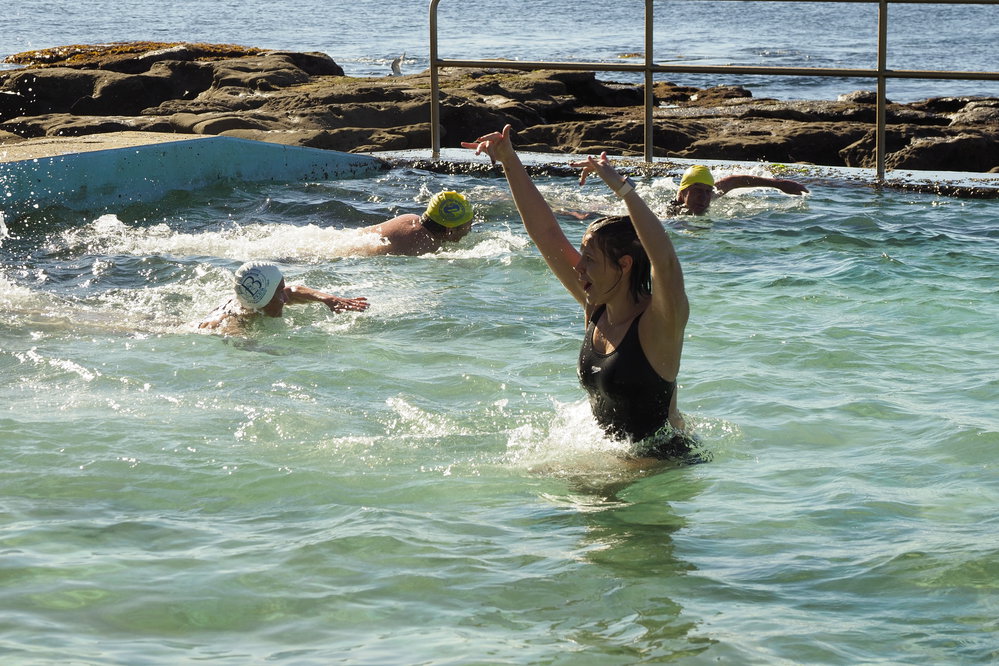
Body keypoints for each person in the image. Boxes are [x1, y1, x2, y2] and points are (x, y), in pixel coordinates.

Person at [462, 125, 694, 460]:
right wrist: (509, 160)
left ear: (625, 264)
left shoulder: (660, 321)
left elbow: (666, 261)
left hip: (661, 461)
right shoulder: (595, 304)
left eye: (589, 259)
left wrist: (624, 190)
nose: (579, 267)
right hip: (617, 457)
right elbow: (545, 232)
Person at [198, 261, 369, 334]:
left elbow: (293, 290)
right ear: (264, 298)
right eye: (279, 292)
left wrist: (328, 299)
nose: (285, 298)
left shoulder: (254, 301)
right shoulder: (232, 326)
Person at [356, 190, 474, 255]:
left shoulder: (410, 218)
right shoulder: (425, 246)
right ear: (450, 230)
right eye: (468, 225)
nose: (470, 230)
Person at [669, 164, 809, 215]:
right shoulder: (670, 214)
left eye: (708, 191)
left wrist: (779, 184)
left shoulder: (710, 195)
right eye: (697, 190)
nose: (704, 198)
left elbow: (734, 181)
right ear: (683, 193)